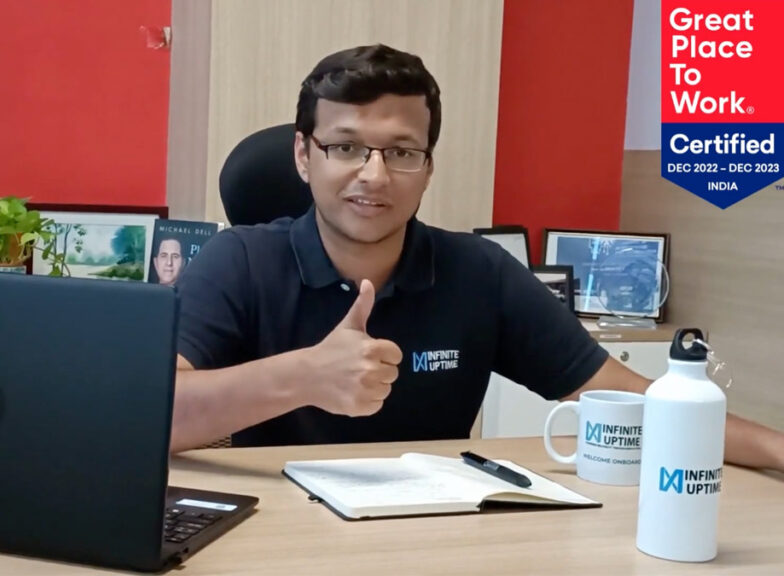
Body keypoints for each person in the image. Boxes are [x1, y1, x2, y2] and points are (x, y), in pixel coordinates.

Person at [169, 44, 784, 470]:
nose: (374, 175)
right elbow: (157, 413)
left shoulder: (479, 272)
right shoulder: (239, 260)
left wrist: (778, 449)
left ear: (428, 167)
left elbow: (630, 398)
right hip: (277, 536)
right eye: (347, 147)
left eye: (402, 152)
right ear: (305, 156)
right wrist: (304, 376)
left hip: (434, 529)